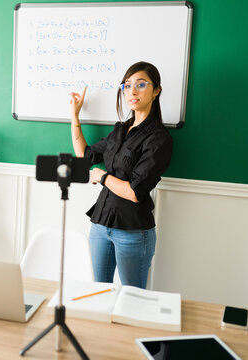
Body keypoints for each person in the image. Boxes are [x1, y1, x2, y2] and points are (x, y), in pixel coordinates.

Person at [69, 61, 173, 289]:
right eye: (127, 85)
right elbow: (84, 155)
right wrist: (75, 116)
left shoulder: (159, 139)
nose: (132, 91)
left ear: (156, 91)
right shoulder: (119, 130)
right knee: (99, 291)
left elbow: (135, 192)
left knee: (132, 298)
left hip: (133, 232)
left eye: (141, 84)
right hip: (100, 225)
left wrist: (102, 177)